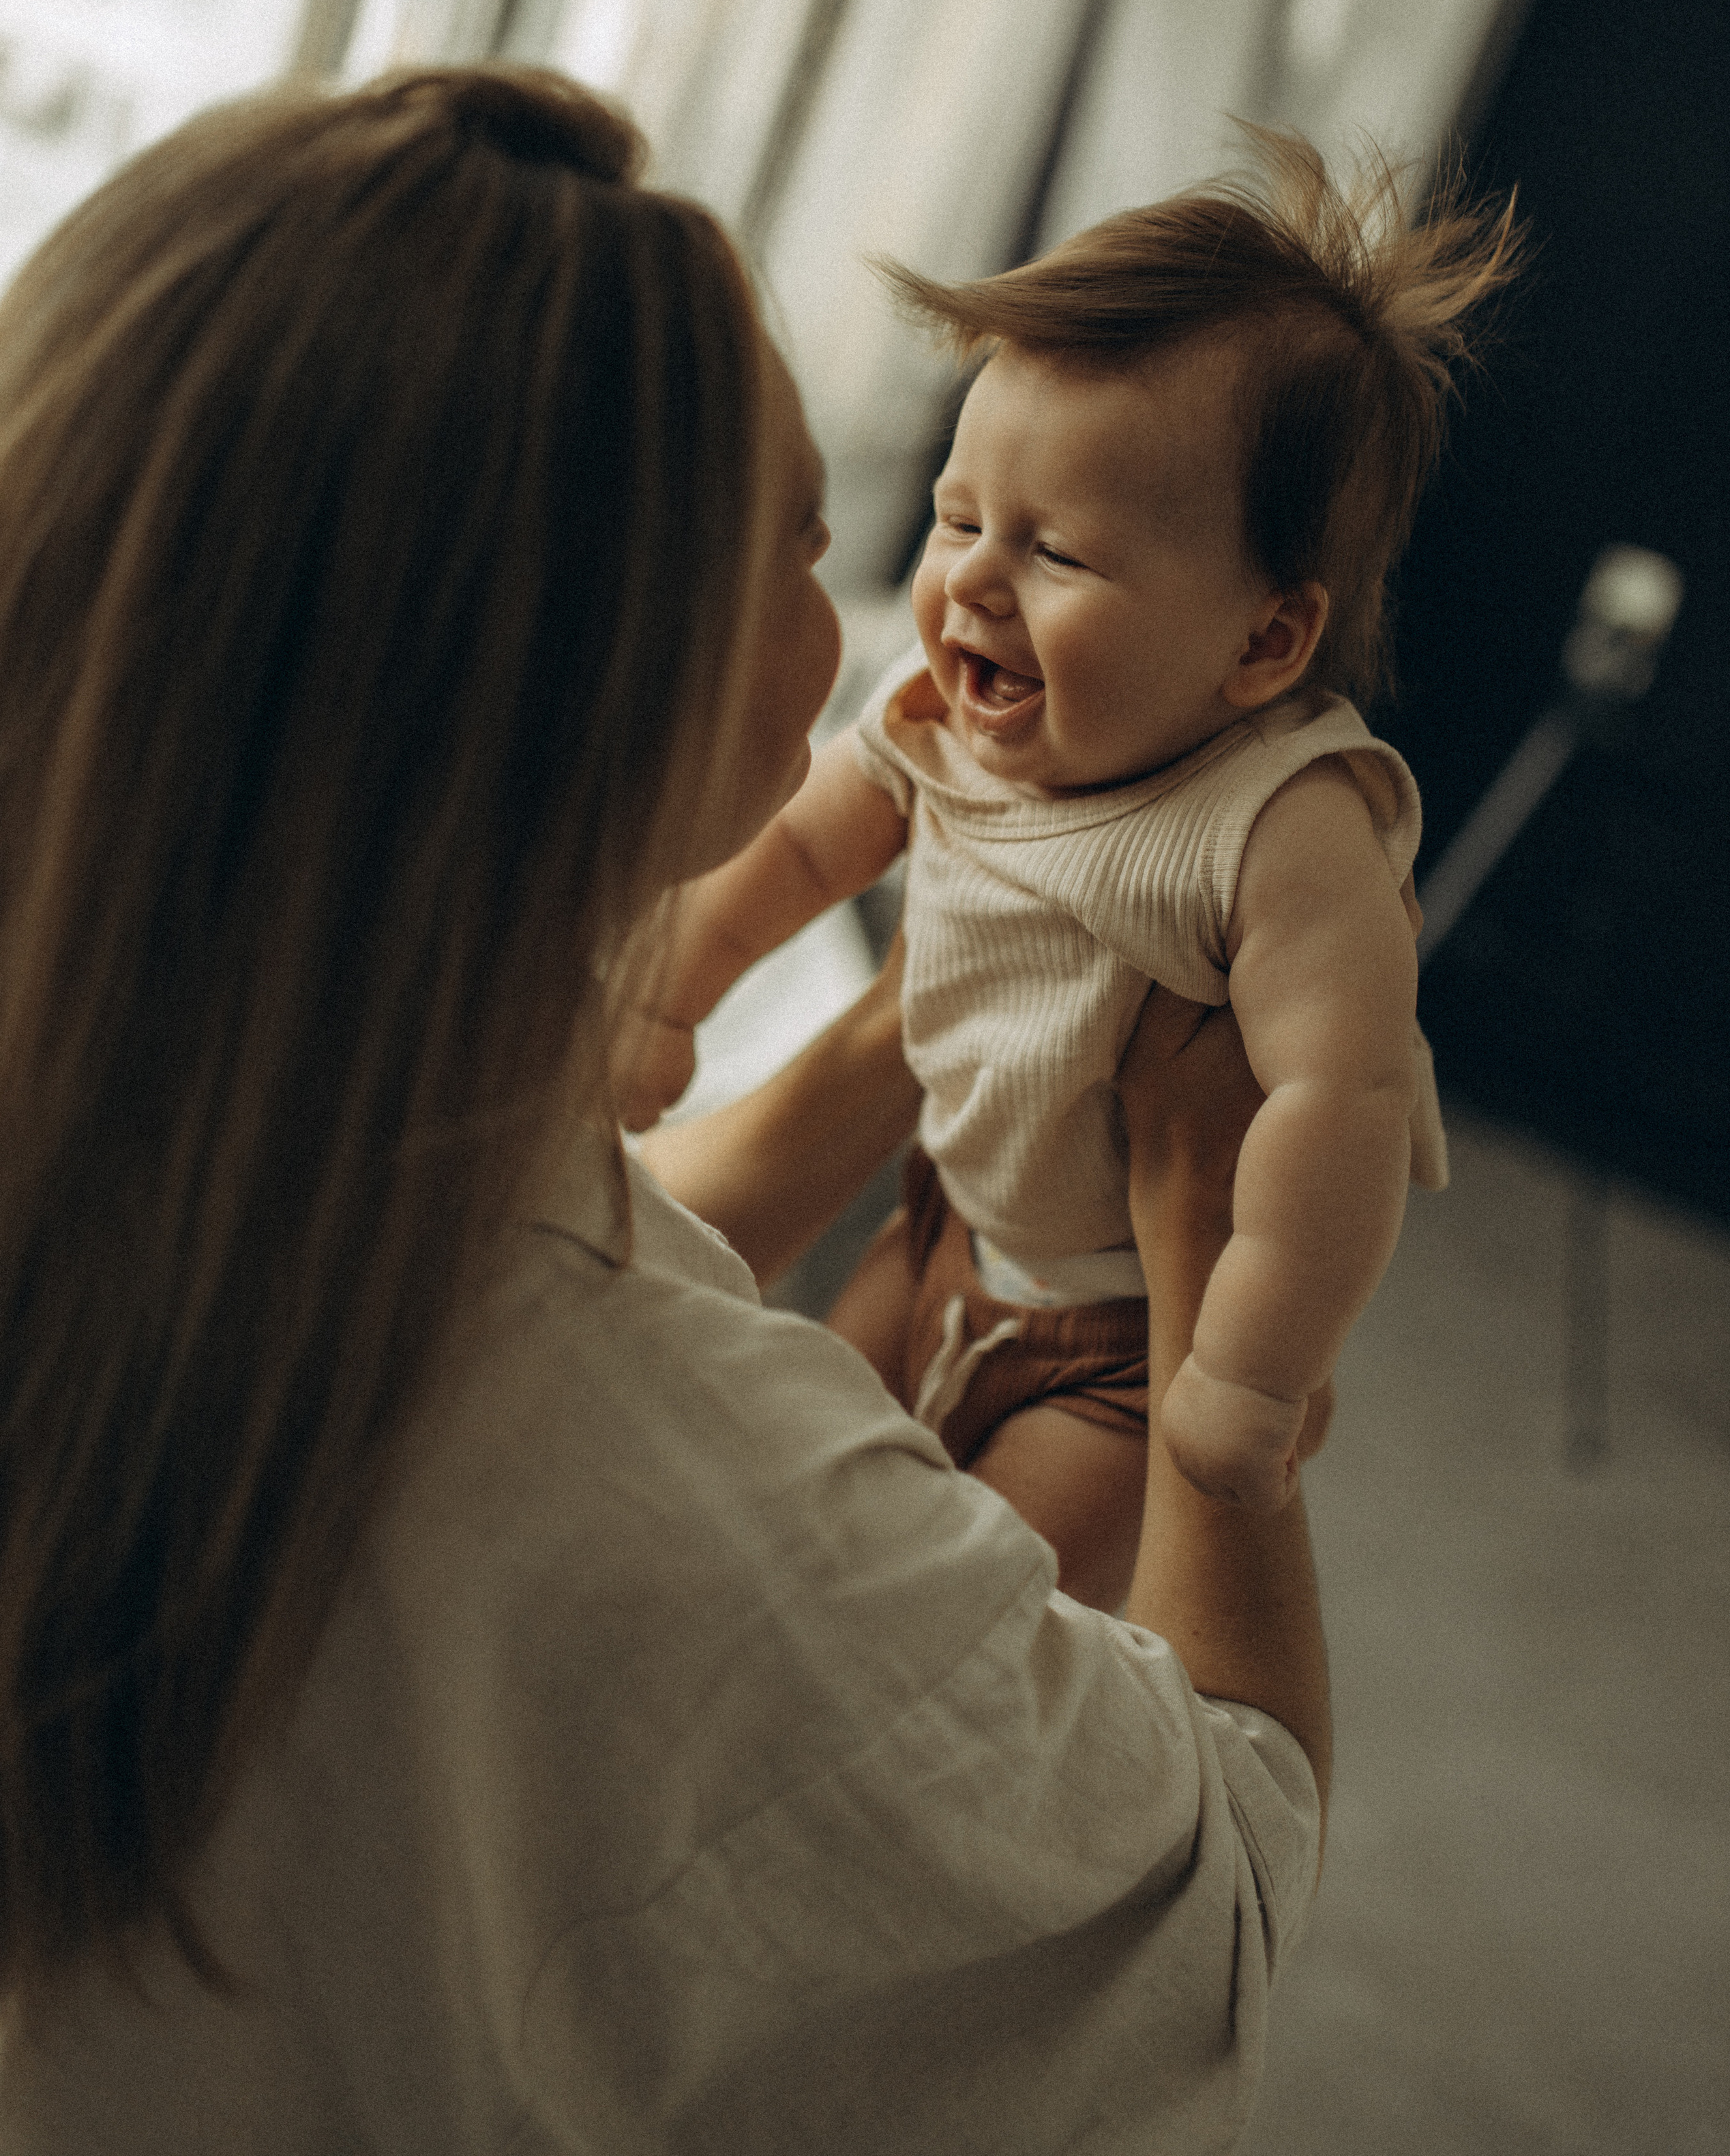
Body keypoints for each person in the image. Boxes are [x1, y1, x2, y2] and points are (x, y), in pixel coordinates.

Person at [0, 63, 1326, 2153]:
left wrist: (944, 1014)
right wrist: (1197, 1273)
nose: (925, 605)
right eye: (837, 538)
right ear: (610, 701)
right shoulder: (699, 1548)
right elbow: (1212, 1906)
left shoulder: (221, 1168)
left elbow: (562, 1232)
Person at [618, 132, 1521, 1599]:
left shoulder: (1285, 826)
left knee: (955, 1603)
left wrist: (1249, 1363)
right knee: (784, 1497)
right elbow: (799, 847)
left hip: (1118, 1353)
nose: (970, 578)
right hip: (945, 1231)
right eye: (957, 517)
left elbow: (1333, 1103)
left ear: (1261, 642)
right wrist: (671, 998)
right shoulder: (944, 713)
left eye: (1057, 554)